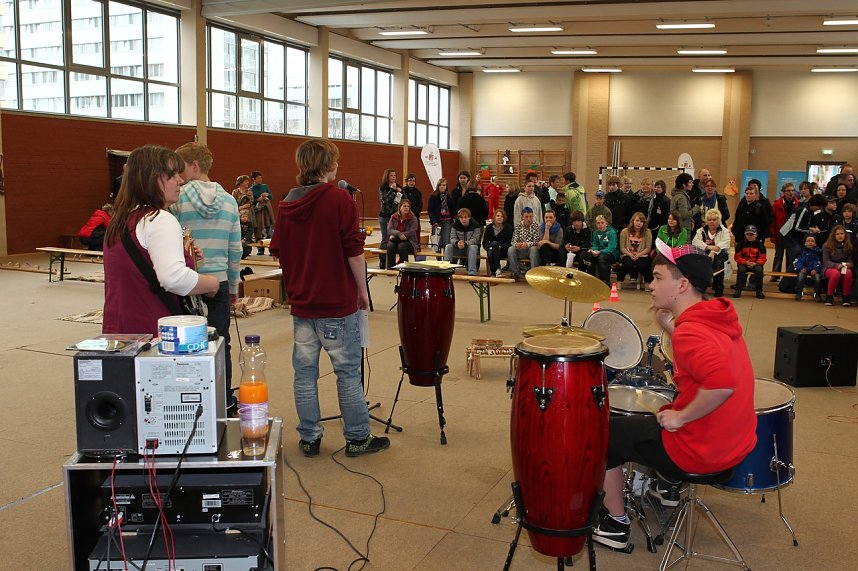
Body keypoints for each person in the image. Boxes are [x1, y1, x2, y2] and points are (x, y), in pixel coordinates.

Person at [593, 239, 756, 551]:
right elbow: (707, 363)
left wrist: (681, 417)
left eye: (658, 278)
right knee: (662, 406)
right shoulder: (714, 318)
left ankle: (614, 524)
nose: (651, 285)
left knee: (605, 434)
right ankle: (667, 485)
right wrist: (671, 328)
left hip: (702, 450)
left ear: (682, 285)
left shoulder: (693, 333)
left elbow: (722, 385)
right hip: (735, 444)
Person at [269, 138, 390, 458]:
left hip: (302, 305)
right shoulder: (340, 201)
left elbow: (279, 252)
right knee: (347, 372)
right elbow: (354, 251)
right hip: (336, 304)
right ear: (327, 166)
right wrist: (363, 292)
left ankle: (309, 437)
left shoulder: (285, 204)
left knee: (304, 374)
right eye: (334, 161)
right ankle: (358, 437)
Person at [102, 145, 219, 336]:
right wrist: (212, 283)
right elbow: (173, 278)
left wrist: (181, 253)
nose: (180, 181)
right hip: (152, 331)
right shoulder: (159, 219)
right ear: (151, 179)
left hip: (121, 329)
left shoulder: (123, 219)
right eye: (172, 175)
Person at [171, 142, 242, 413]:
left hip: (186, 281)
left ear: (194, 166)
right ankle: (222, 401)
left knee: (184, 345)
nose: (178, 177)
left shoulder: (178, 199)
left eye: (180, 168)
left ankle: (188, 402)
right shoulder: (230, 201)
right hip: (220, 281)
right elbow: (235, 249)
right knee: (220, 342)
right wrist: (233, 285)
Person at [692, 208, 731, 298]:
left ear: (719, 220)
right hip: (704, 251)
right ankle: (702, 285)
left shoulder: (724, 231)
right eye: (709, 220)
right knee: (700, 261)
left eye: (714, 220)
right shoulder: (700, 231)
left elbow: (724, 243)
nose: (712, 222)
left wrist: (713, 252)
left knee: (718, 262)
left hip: (720, 253)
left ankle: (718, 287)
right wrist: (707, 247)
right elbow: (695, 242)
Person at [770, 182, 800, 279]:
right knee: (778, 255)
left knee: (790, 256)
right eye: (788, 191)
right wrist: (772, 234)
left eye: (792, 190)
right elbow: (773, 221)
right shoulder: (776, 205)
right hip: (780, 233)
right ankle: (775, 275)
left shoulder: (798, 204)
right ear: (783, 192)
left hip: (791, 235)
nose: (790, 193)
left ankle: (788, 275)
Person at [617, 212, 653, 289]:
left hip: (642, 255)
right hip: (627, 254)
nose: (639, 223)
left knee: (643, 265)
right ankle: (619, 281)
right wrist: (630, 254)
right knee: (627, 265)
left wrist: (638, 255)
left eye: (641, 221)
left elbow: (648, 248)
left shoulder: (648, 232)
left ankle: (647, 282)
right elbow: (622, 248)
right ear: (632, 221)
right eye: (637, 221)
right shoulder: (624, 232)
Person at [821, 225, 853, 306]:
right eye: (837, 234)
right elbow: (826, 262)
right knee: (836, 274)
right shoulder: (826, 245)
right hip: (829, 268)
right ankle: (829, 297)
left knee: (848, 273)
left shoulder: (849, 246)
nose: (840, 236)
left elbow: (851, 262)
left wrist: (849, 264)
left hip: (843, 267)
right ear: (834, 235)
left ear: (845, 235)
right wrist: (836, 265)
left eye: (842, 234)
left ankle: (845, 297)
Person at [732, 225, 767, 300]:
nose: (750, 236)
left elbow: (763, 258)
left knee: (759, 271)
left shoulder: (760, 245)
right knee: (741, 270)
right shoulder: (740, 244)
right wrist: (745, 262)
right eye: (748, 234)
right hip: (744, 263)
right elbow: (737, 257)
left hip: (756, 264)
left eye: (752, 234)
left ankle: (759, 291)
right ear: (745, 234)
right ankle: (738, 290)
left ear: (756, 235)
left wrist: (756, 263)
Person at [444, 207, 482, 275]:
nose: (463, 219)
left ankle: (472, 273)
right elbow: (452, 238)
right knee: (448, 246)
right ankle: (446, 271)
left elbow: (475, 239)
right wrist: (457, 243)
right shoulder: (454, 225)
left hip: (469, 248)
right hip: (458, 247)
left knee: (473, 247)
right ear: (459, 218)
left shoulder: (476, 225)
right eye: (461, 217)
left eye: (465, 217)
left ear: (469, 217)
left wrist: (465, 243)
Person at [378, 168, 402, 269]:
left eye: (395, 176)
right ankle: (383, 262)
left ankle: (391, 262)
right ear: (387, 177)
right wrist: (392, 190)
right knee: (385, 239)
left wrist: (399, 192)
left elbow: (401, 201)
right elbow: (385, 200)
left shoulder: (398, 187)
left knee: (394, 239)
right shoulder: (383, 187)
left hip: (395, 217)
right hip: (385, 216)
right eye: (391, 175)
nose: (393, 177)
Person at [508, 207, 540, 280]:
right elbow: (513, 241)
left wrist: (527, 244)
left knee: (534, 249)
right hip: (520, 249)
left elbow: (537, 241)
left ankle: (533, 273)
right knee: (511, 249)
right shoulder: (518, 226)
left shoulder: (536, 226)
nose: (529, 219)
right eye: (526, 217)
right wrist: (517, 244)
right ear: (522, 217)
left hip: (531, 250)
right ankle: (516, 273)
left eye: (530, 217)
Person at [386, 199, 419, 268]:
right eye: (404, 206)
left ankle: (405, 268)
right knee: (390, 246)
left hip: (409, 241)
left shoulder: (413, 218)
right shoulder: (393, 217)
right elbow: (389, 230)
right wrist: (399, 234)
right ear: (400, 208)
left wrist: (401, 235)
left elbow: (412, 232)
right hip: (396, 239)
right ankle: (391, 267)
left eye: (408, 206)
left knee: (401, 246)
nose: (406, 208)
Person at [590, 214, 619, 285]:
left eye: (602, 223)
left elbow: (612, 247)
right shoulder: (595, 233)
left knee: (601, 257)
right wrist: (594, 250)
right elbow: (594, 244)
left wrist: (599, 252)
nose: (600, 225)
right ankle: (591, 279)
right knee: (589, 256)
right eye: (598, 223)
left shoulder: (612, 232)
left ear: (606, 223)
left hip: (611, 254)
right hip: (599, 252)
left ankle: (605, 281)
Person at [250, 171, 275, 252]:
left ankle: (271, 249)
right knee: (259, 229)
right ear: (254, 179)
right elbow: (251, 201)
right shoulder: (251, 189)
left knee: (269, 229)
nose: (260, 179)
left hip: (267, 210)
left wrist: (267, 195)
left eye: (261, 177)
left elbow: (271, 197)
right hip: (259, 211)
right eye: (258, 178)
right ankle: (260, 249)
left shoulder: (265, 186)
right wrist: (258, 199)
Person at [482, 209, 512, 277]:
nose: (499, 217)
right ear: (494, 217)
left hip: (503, 251)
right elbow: (485, 242)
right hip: (492, 249)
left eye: (502, 216)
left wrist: (500, 247)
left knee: (495, 244)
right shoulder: (489, 228)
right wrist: (489, 248)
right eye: (498, 216)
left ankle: (494, 271)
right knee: (491, 251)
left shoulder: (508, 228)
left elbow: (509, 242)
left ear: (504, 218)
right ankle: (497, 270)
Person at [793, 234, 823, 302]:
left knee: (817, 277)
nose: (810, 242)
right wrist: (801, 268)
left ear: (815, 243)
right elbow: (798, 261)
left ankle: (817, 293)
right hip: (804, 269)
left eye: (812, 241)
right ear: (805, 243)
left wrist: (816, 269)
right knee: (800, 276)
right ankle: (799, 292)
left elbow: (818, 262)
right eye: (808, 241)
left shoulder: (818, 252)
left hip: (813, 270)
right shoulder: (801, 251)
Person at [427, 178, 454, 252]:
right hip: (436, 221)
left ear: (446, 186)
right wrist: (433, 221)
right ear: (438, 186)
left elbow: (452, 208)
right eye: (440, 185)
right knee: (436, 242)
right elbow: (430, 210)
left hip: (447, 221)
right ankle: (438, 260)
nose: (442, 187)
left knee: (446, 241)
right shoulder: (433, 196)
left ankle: (446, 259)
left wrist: (452, 219)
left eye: (444, 185)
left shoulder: (449, 196)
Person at [670, 173, 694, 237]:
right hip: (683, 228)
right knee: (684, 247)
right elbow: (683, 215)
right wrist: (696, 209)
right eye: (690, 182)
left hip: (678, 228)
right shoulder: (681, 197)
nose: (692, 184)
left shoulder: (676, 195)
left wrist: (691, 220)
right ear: (684, 185)